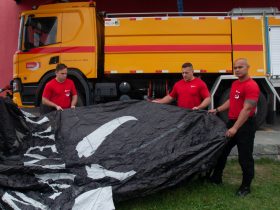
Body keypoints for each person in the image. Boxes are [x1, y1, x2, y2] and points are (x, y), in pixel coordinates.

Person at [208, 58, 260, 197]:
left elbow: (247, 109)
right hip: (232, 123)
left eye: (240, 67)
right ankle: (216, 178)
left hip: (245, 126)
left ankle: (245, 187)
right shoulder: (236, 83)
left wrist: (235, 128)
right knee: (221, 151)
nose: (237, 69)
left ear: (248, 67)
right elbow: (232, 100)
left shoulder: (252, 86)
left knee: (245, 157)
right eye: (235, 67)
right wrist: (217, 109)